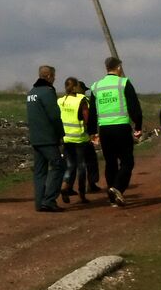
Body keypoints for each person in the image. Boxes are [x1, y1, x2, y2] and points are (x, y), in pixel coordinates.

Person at [86, 57, 143, 207]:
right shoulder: (123, 82)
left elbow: (92, 111)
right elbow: (134, 106)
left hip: (104, 129)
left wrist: (92, 131)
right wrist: (138, 126)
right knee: (127, 161)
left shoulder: (96, 86)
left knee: (110, 162)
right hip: (121, 127)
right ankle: (117, 188)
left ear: (106, 68)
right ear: (118, 67)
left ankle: (113, 199)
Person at [25, 64, 66, 212]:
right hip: (47, 138)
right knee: (58, 165)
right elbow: (54, 116)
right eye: (54, 76)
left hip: (36, 138)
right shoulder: (47, 92)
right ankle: (49, 200)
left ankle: (39, 202)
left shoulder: (31, 93)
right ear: (49, 76)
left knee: (40, 171)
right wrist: (61, 133)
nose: (54, 79)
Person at [57, 77, 94, 203]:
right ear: (74, 87)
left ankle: (64, 187)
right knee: (81, 166)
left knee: (70, 165)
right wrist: (91, 131)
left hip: (66, 138)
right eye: (77, 85)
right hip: (80, 138)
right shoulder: (81, 100)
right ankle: (82, 194)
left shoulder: (60, 101)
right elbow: (87, 118)